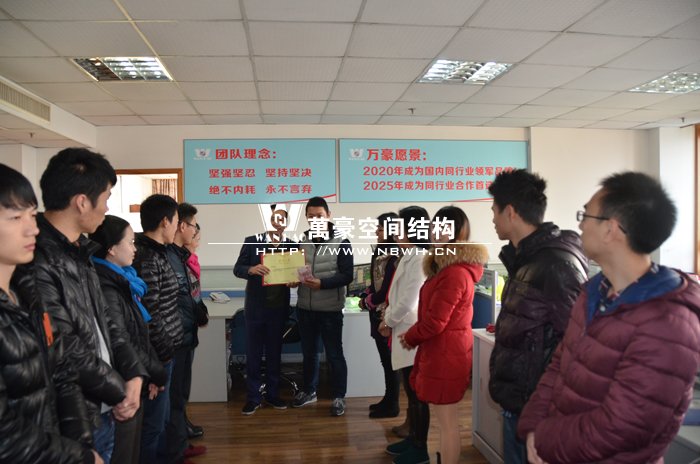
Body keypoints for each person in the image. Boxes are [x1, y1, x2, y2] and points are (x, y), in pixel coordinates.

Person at [518, 172, 700, 464]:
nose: (579, 224)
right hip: (564, 449)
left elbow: (621, 428)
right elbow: (559, 366)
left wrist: (545, 439)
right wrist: (533, 426)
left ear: (610, 229)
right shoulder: (594, 291)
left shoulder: (668, 324)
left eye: (585, 215)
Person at [15, 148, 146, 463]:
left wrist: (134, 373)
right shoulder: (36, 259)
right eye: (106, 197)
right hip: (75, 412)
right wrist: (119, 389)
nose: (107, 207)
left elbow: (106, 322)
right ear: (82, 202)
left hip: (104, 401)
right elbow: (64, 345)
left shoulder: (81, 251)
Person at [0, 164, 103, 464]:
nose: (32, 228)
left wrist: (82, 445)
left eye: (32, 215)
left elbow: (62, 372)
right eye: (15, 217)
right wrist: (78, 456)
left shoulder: (28, 293)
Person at [487, 169, 588, 463]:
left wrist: (546, 412)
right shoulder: (525, 259)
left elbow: (576, 344)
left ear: (510, 212)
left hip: (538, 409)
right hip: (519, 403)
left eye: (494, 211)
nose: (492, 219)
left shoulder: (555, 265)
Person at [400, 206, 487, 464]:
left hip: (447, 354)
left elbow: (435, 322)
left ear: (457, 232)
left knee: (448, 423)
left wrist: (410, 336)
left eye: (443, 227)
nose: (435, 232)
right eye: (434, 226)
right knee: (444, 422)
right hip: (441, 351)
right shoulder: (445, 267)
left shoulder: (454, 272)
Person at [90, 215, 168, 464]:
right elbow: (122, 340)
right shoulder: (107, 287)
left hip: (137, 374)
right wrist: (156, 372)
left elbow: (139, 332)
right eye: (131, 242)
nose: (135, 249)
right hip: (121, 385)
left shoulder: (124, 279)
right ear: (112, 249)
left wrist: (148, 373)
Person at [132, 194, 183, 464]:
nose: (178, 227)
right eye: (176, 221)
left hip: (164, 352)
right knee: (153, 426)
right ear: (165, 221)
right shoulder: (148, 258)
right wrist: (162, 355)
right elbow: (149, 315)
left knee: (160, 421)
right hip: (157, 355)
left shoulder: (159, 252)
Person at [292, 196, 353, 416]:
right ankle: (310, 391)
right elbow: (295, 270)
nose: (315, 220)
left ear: (328, 215)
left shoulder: (342, 242)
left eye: (319, 215)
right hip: (305, 308)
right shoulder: (302, 241)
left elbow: (347, 275)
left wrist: (322, 284)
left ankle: (338, 397)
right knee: (309, 354)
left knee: (334, 354)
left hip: (330, 310)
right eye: (311, 216)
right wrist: (292, 280)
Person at [234, 205, 297, 415]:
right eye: (274, 218)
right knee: (253, 354)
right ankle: (253, 398)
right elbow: (237, 268)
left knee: (274, 354)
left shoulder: (292, 246)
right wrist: (251, 269)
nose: (278, 222)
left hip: (278, 309)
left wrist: (295, 281)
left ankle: (273, 394)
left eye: (282, 219)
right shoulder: (252, 242)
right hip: (255, 309)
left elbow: (296, 274)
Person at [380, 206, 429, 464]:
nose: (395, 232)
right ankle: (412, 439)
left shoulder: (419, 257)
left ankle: (420, 449)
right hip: (402, 329)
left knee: (417, 394)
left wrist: (388, 320)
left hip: (410, 332)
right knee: (410, 393)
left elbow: (409, 300)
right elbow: (395, 295)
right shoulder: (408, 255)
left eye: (400, 227)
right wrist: (387, 318)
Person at [164, 202, 207, 463]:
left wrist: (199, 310)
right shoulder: (168, 257)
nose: (195, 231)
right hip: (176, 337)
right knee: (175, 394)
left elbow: (190, 293)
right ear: (181, 225)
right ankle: (175, 449)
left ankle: (180, 442)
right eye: (193, 226)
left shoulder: (180, 256)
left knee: (180, 393)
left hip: (186, 332)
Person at [360, 212, 400, 419]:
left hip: (387, 314)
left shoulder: (395, 256)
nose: (377, 231)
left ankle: (393, 404)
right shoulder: (379, 252)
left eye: (381, 228)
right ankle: (387, 398)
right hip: (376, 313)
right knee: (385, 361)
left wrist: (367, 301)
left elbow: (387, 290)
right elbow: (375, 283)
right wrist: (366, 294)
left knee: (391, 362)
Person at [183, 223, 206, 439]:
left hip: (190, 323)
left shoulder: (192, 260)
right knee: (179, 385)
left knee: (183, 383)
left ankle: (182, 422)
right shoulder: (181, 262)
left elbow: (195, 291)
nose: (198, 241)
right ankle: (180, 425)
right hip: (181, 327)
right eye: (196, 236)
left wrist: (201, 309)